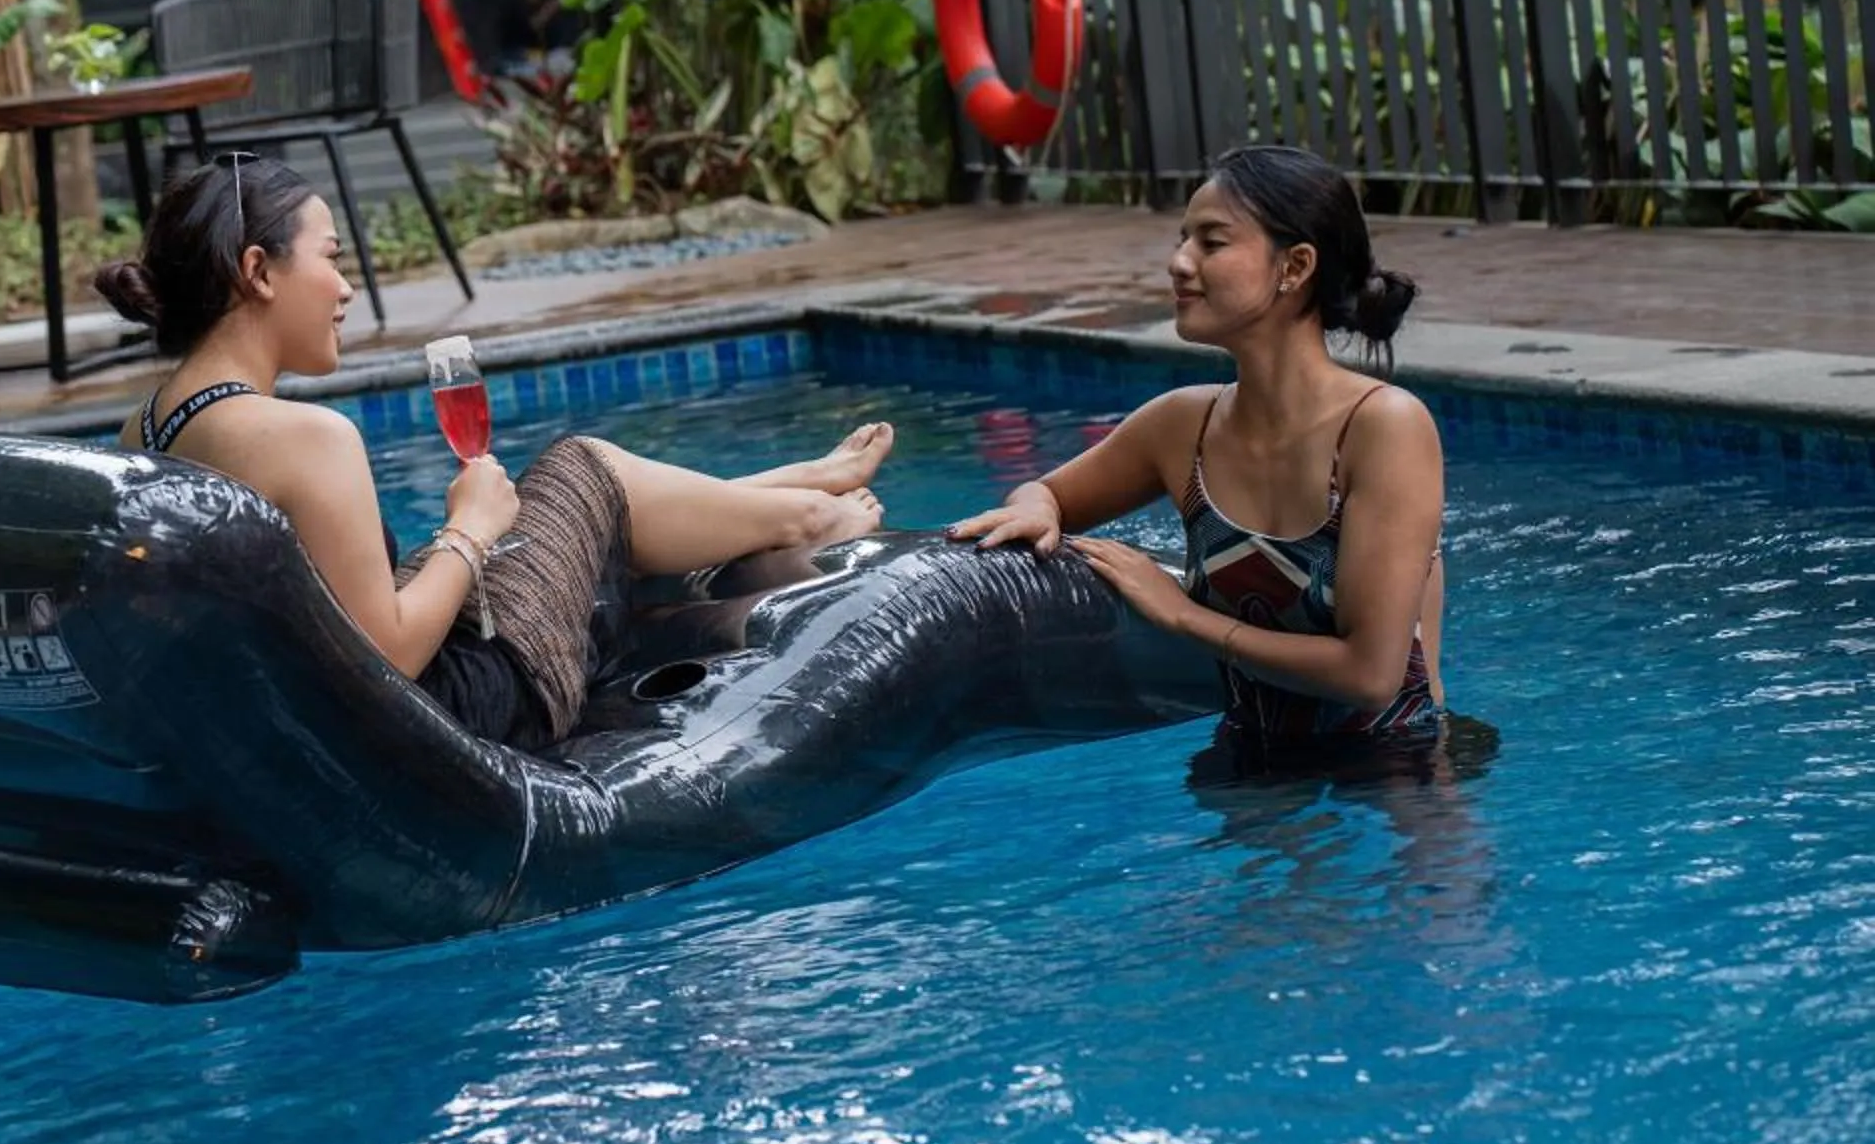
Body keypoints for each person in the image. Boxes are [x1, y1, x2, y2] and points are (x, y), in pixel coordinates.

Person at [93, 153, 892, 749]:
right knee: (584, 468)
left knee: (565, 504)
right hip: (455, 714)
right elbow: (391, 654)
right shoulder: (308, 438)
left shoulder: (145, 431)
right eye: (331, 258)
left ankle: (785, 492)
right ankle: (800, 516)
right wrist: (468, 530)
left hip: (310, 723)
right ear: (259, 272)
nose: (345, 288)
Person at [948, 145, 1448, 765]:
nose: (1179, 263)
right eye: (1183, 240)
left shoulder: (1384, 427)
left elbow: (1371, 675)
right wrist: (1040, 513)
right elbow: (1045, 493)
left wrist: (1182, 617)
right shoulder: (1182, 425)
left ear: (1294, 266)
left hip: (1400, 769)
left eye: (1211, 243)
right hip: (1248, 763)